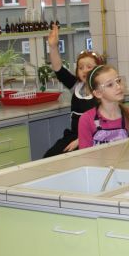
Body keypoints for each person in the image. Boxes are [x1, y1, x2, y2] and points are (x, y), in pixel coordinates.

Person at [44, 24, 102, 157]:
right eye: (81, 67)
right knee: (50, 157)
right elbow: (58, 69)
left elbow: (105, 123)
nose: (84, 70)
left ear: (99, 69)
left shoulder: (103, 92)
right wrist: (53, 47)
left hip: (95, 136)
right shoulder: (76, 86)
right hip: (73, 136)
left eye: (89, 67)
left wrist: (82, 140)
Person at [77, 64, 129, 149]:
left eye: (118, 81)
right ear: (98, 93)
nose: (118, 86)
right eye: (110, 85)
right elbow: (85, 154)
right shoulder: (86, 119)